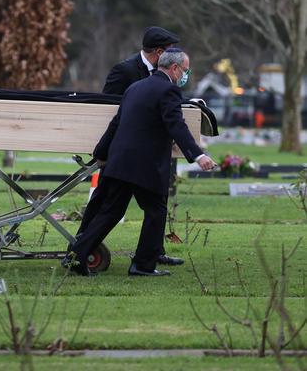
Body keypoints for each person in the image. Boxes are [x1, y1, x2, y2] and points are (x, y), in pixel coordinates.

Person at [65, 49, 216, 277]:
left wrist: (101, 152)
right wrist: (198, 155)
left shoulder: (135, 87)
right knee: (156, 211)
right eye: (185, 70)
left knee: (110, 211)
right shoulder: (169, 90)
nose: (185, 75)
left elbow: (116, 123)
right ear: (174, 68)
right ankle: (143, 265)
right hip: (145, 165)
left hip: (120, 160)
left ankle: (76, 257)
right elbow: (176, 125)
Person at [75, 26, 183, 267]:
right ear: (158, 52)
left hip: (151, 152)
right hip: (123, 152)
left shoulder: (165, 75)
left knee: (155, 206)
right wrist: (105, 151)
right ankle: (82, 245)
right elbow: (108, 110)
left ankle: (153, 252)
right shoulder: (124, 71)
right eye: (170, 51)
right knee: (106, 203)